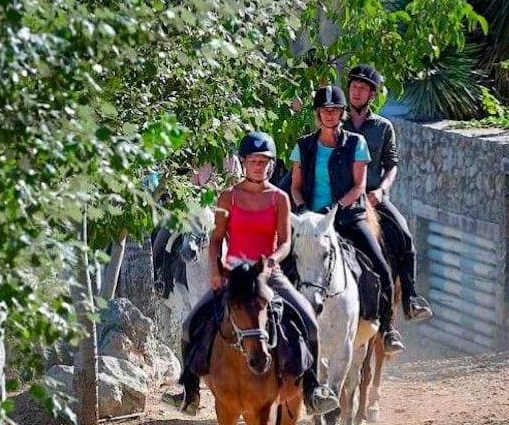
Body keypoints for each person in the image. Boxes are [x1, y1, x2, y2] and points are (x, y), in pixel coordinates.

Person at [164, 131, 338, 416]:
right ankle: (189, 390)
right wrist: (216, 271)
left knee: (309, 321)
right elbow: (217, 239)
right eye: (254, 161)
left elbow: (284, 242)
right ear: (244, 162)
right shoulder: (228, 197)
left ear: (270, 164)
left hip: (269, 275)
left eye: (264, 161)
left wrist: (272, 261)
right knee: (190, 324)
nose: (259, 166)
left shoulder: (279, 198)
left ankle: (312, 390)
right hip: (234, 274)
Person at [289, 85, 406, 355]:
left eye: (334, 110)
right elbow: (296, 186)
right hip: (310, 222)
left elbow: (358, 186)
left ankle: (387, 328)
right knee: (280, 265)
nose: (329, 115)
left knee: (381, 267)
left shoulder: (357, 143)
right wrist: (304, 210)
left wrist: (334, 207)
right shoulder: (304, 146)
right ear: (318, 114)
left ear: (342, 113)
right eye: (324, 111)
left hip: (347, 218)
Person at [343, 64, 433, 322]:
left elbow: (391, 164)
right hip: (341, 197)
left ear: (372, 95)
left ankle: (410, 299)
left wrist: (382, 190)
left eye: (363, 88)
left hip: (373, 197)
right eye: (354, 86)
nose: (357, 92)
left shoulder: (383, 127)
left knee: (404, 236)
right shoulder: (337, 124)